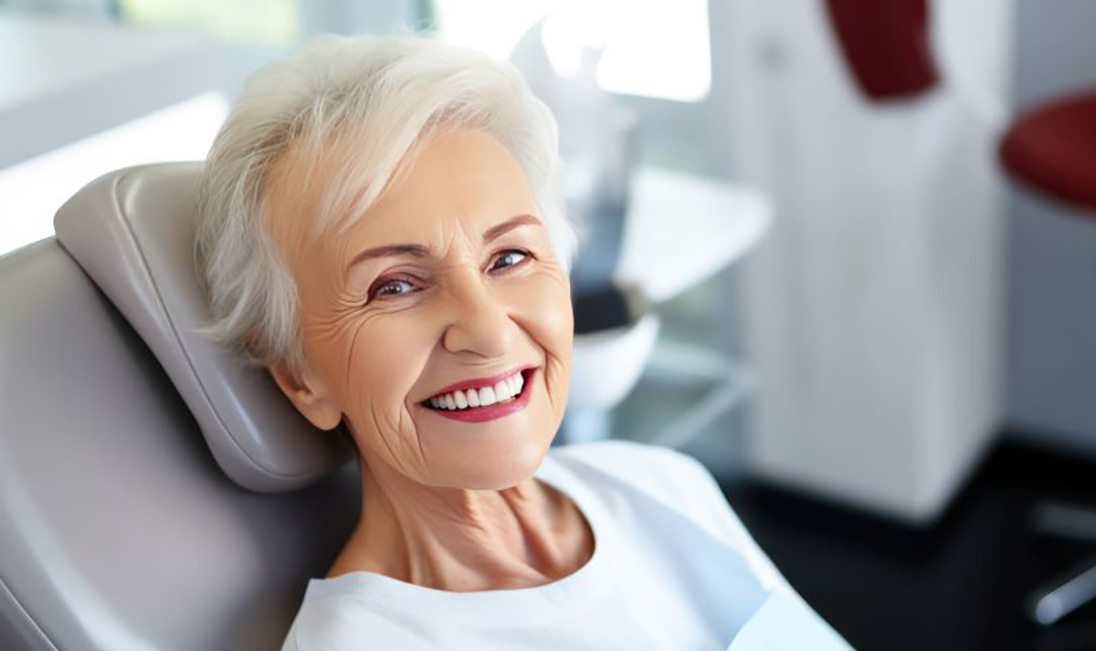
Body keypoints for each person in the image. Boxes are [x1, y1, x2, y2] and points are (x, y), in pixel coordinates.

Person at [195, 34, 853, 650]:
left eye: (509, 257)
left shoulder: (664, 487)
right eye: (394, 285)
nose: (486, 331)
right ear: (299, 375)